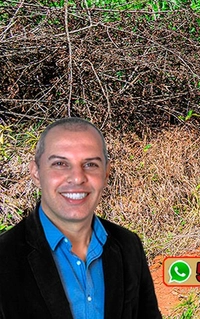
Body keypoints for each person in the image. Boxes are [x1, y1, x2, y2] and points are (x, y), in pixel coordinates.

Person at [0, 118, 162, 319]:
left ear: (106, 173)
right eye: (60, 164)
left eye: (90, 164)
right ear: (36, 173)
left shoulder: (129, 246)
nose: (77, 178)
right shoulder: (5, 257)